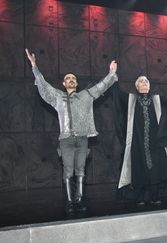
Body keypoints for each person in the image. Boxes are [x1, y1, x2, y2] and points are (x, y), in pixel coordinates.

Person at [25, 48, 118, 213]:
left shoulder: (85, 95)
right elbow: (43, 85)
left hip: (82, 139)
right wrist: (34, 66)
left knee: (80, 170)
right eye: (68, 78)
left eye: (73, 78)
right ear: (63, 83)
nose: (71, 80)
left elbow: (101, 87)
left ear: (76, 83)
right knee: (68, 170)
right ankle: (70, 201)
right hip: (66, 140)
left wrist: (111, 74)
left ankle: (80, 199)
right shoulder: (57, 97)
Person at [112, 69, 167, 206]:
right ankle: (140, 196)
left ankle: (155, 195)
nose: (144, 83)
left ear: (149, 86)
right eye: (141, 82)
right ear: (137, 87)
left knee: (155, 167)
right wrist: (113, 75)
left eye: (146, 82)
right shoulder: (131, 98)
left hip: (155, 141)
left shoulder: (156, 98)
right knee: (139, 166)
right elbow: (117, 93)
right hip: (137, 141)